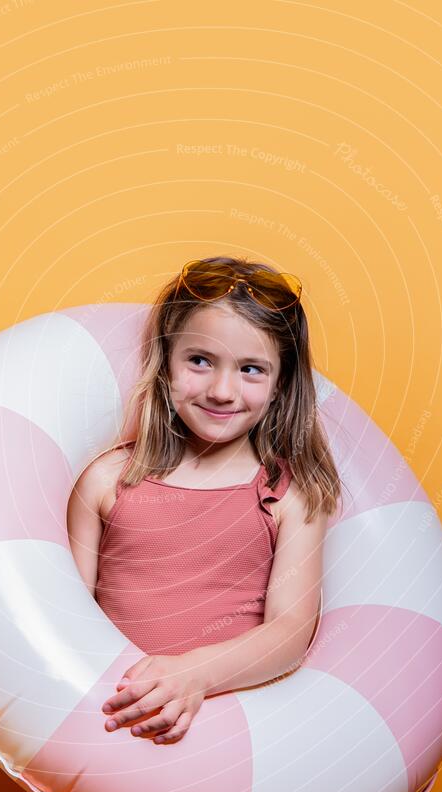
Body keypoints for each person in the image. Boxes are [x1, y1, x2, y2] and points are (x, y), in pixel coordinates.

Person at [67, 255, 342, 746]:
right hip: (102, 724)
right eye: (200, 360)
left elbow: (289, 632)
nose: (221, 390)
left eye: (252, 369)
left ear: (281, 387)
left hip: (225, 736)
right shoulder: (108, 481)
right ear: (165, 363)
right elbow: (65, 612)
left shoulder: (287, 497)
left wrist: (194, 674)